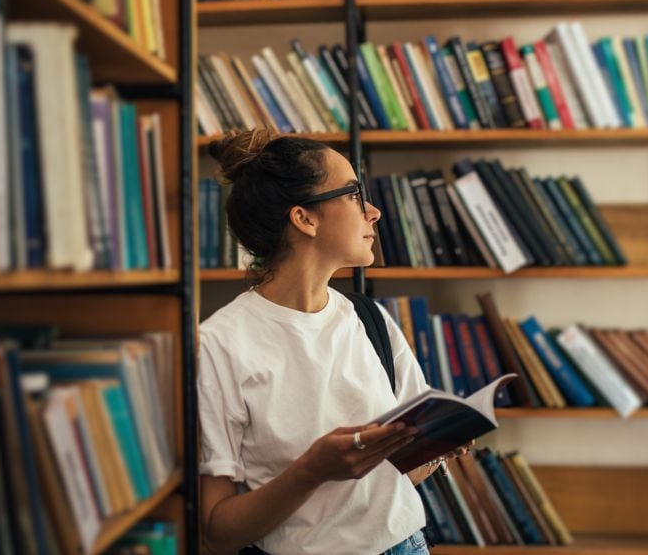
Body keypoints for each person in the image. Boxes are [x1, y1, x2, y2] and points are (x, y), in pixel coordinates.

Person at [197, 130, 472, 555]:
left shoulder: (372, 320)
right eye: (354, 195)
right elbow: (217, 531)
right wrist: (311, 471)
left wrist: (438, 447)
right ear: (304, 218)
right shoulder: (220, 344)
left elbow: (396, 481)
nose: (375, 212)